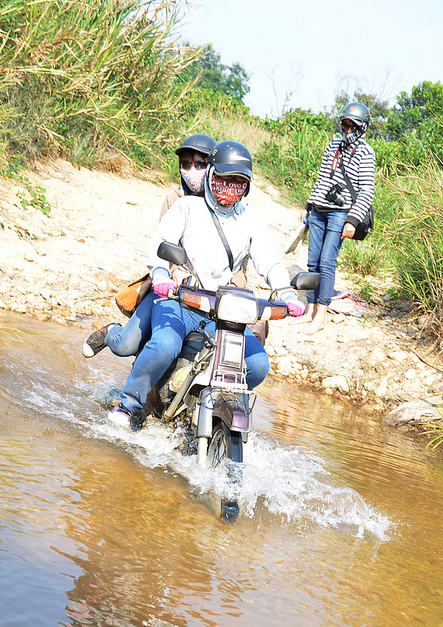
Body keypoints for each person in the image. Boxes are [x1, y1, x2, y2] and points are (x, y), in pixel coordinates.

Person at [107, 140, 305, 430]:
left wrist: (286, 292)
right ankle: (129, 404)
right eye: (223, 179)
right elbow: (160, 245)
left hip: (221, 310)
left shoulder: (250, 219)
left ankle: (208, 409)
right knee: (164, 346)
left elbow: (270, 262)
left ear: (247, 186)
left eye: (237, 182)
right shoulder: (187, 207)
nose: (229, 188)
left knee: (258, 365)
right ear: (211, 176)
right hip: (179, 299)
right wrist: (161, 274)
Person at [81, 133, 217, 360]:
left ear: (212, 167)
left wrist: (233, 286)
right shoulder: (175, 199)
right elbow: (163, 244)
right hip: (171, 287)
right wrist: (173, 271)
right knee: (126, 345)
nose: (192, 170)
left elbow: (240, 264)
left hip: (211, 294)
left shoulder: (227, 207)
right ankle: (111, 333)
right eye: (186, 164)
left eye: (199, 164)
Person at [292, 102, 375, 335]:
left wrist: (353, 220)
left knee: (327, 261)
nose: (348, 130)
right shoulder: (333, 145)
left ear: (362, 127)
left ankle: (321, 316)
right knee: (313, 261)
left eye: (353, 126)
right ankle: (309, 311)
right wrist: (308, 207)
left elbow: (367, 190)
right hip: (319, 209)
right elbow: (323, 178)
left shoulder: (366, 152)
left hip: (341, 213)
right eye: (345, 124)